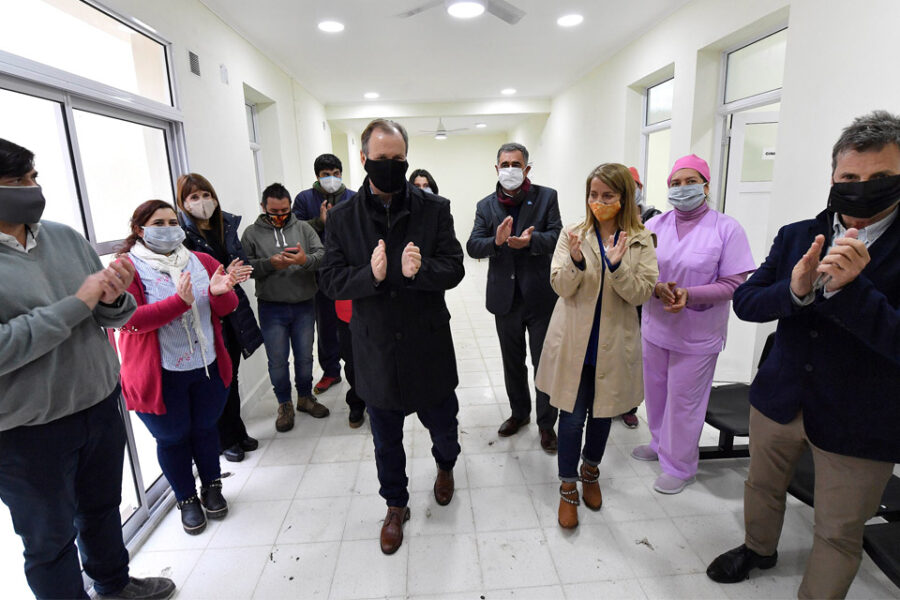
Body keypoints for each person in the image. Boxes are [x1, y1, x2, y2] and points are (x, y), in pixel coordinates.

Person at [706, 110, 900, 599]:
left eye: (880, 177)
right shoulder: (798, 234)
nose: (862, 188)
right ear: (833, 177)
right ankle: (758, 548)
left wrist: (852, 291)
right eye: (849, 178)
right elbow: (747, 301)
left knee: (838, 529)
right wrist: (795, 292)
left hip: (861, 417)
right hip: (780, 396)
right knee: (762, 486)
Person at [0, 139, 175, 599]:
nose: (32, 189)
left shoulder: (62, 237)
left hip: (97, 403)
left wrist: (114, 298)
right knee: (49, 539)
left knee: (101, 507)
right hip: (27, 430)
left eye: (34, 178)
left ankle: (114, 584)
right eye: (17, 181)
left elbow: (109, 316)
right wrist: (78, 303)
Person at [319, 119, 465, 555]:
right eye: (381, 158)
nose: (390, 165)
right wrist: (371, 275)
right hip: (376, 348)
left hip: (427, 343)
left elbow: (455, 267)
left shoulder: (434, 208)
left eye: (398, 158)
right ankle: (395, 504)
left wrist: (421, 271)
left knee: (444, 426)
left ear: (406, 158)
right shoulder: (342, 217)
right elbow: (330, 280)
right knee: (385, 438)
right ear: (364, 158)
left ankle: (445, 466)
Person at [536, 163, 658, 529]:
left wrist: (618, 267)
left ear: (624, 198)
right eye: (593, 194)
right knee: (572, 418)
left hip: (614, 343)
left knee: (603, 414)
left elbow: (642, 293)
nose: (599, 202)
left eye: (608, 195)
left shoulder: (641, 239)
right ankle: (567, 487)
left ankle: (590, 471)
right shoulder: (573, 233)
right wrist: (576, 261)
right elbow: (559, 285)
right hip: (576, 342)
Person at [633, 154, 756, 494]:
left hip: (697, 335)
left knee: (684, 402)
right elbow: (640, 271)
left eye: (690, 182)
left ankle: (680, 465)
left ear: (705, 186)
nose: (682, 188)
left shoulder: (726, 229)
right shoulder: (654, 226)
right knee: (656, 394)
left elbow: (734, 283)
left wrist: (690, 295)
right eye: (675, 183)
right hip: (656, 327)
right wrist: (657, 288)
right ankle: (659, 443)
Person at [117, 200, 239, 536]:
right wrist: (178, 303)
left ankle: (212, 487)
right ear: (140, 230)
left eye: (173, 221)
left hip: (206, 366)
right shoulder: (127, 268)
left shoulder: (201, 261)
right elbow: (129, 321)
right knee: (172, 438)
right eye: (159, 223)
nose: (169, 228)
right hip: (160, 375)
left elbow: (227, 307)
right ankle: (186, 499)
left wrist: (220, 292)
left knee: (205, 429)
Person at [466, 142, 562, 453]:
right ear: (496, 169)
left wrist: (530, 242)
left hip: (540, 297)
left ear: (527, 168)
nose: (510, 170)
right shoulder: (485, 206)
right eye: (504, 164)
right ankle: (520, 413)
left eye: (515, 164)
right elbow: (473, 245)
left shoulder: (546, 197)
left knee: (543, 362)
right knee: (512, 362)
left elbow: (556, 236)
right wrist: (496, 242)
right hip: (505, 299)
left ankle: (546, 424)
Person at [176, 173, 263, 462]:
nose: (202, 202)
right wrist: (225, 275)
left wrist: (237, 272)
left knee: (231, 374)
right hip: (206, 313)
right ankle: (224, 440)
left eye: (206, 195)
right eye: (194, 197)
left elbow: (241, 263)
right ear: (183, 203)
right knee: (216, 380)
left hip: (233, 309)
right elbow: (190, 276)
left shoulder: (226, 225)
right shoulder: (181, 235)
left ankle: (237, 430)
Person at [243, 183, 329, 432]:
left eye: (284, 210)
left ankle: (305, 398)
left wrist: (304, 260)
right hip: (271, 307)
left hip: (304, 304)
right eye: (274, 212)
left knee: (305, 357)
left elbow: (323, 256)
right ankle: (284, 404)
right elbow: (245, 267)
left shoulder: (303, 228)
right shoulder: (251, 233)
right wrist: (269, 264)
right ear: (263, 207)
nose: (280, 216)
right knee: (278, 361)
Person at [292, 154, 354, 395]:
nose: (332, 179)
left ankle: (358, 369)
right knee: (326, 324)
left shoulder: (353, 198)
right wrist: (320, 222)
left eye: (336, 174)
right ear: (317, 176)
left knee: (352, 323)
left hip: (348, 273)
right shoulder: (305, 199)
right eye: (326, 174)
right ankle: (331, 371)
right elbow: (293, 231)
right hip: (319, 274)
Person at [615, 166, 661, 430]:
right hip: (615, 292)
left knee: (635, 354)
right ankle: (610, 401)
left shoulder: (654, 218)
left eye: (633, 185)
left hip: (643, 294)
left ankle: (629, 406)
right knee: (614, 351)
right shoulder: (609, 217)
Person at [334, 298, 366, 427]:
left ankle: (378, 402)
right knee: (352, 362)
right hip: (346, 311)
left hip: (379, 310)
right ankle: (357, 400)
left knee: (380, 361)